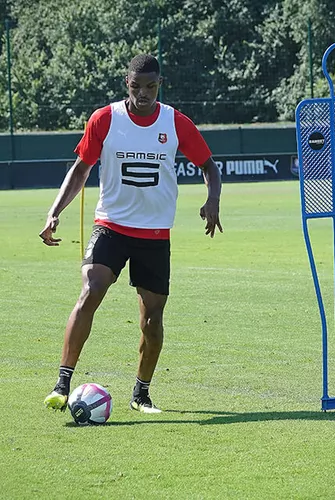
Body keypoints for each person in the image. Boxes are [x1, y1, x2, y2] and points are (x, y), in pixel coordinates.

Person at [40, 54, 223, 414]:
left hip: (154, 235)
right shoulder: (105, 119)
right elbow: (81, 169)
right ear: (127, 83)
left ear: (159, 85)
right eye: (137, 86)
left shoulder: (176, 123)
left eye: (150, 86)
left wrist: (212, 199)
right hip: (111, 226)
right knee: (91, 289)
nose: (143, 93)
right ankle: (62, 383)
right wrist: (54, 211)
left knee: (152, 320)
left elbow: (209, 166)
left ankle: (141, 394)